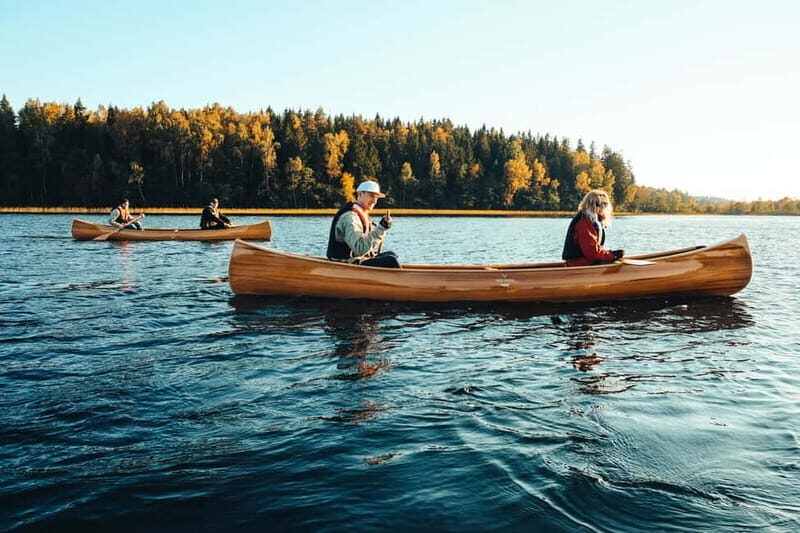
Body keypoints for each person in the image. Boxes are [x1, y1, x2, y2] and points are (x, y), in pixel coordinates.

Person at [326, 180, 400, 268]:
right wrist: (381, 228)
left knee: (392, 255)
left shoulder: (360, 213)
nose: (374, 201)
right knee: (391, 261)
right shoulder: (350, 217)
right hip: (344, 263)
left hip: (355, 260)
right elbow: (359, 249)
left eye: (376, 197)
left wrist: (383, 229)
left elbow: (367, 246)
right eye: (371, 196)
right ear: (360, 194)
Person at [562, 189, 625, 266]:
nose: (603, 207)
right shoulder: (583, 223)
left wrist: (610, 253)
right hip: (578, 265)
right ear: (590, 204)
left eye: (605, 204)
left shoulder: (594, 221)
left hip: (586, 263)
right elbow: (592, 253)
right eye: (599, 203)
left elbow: (595, 250)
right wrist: (612, 255)